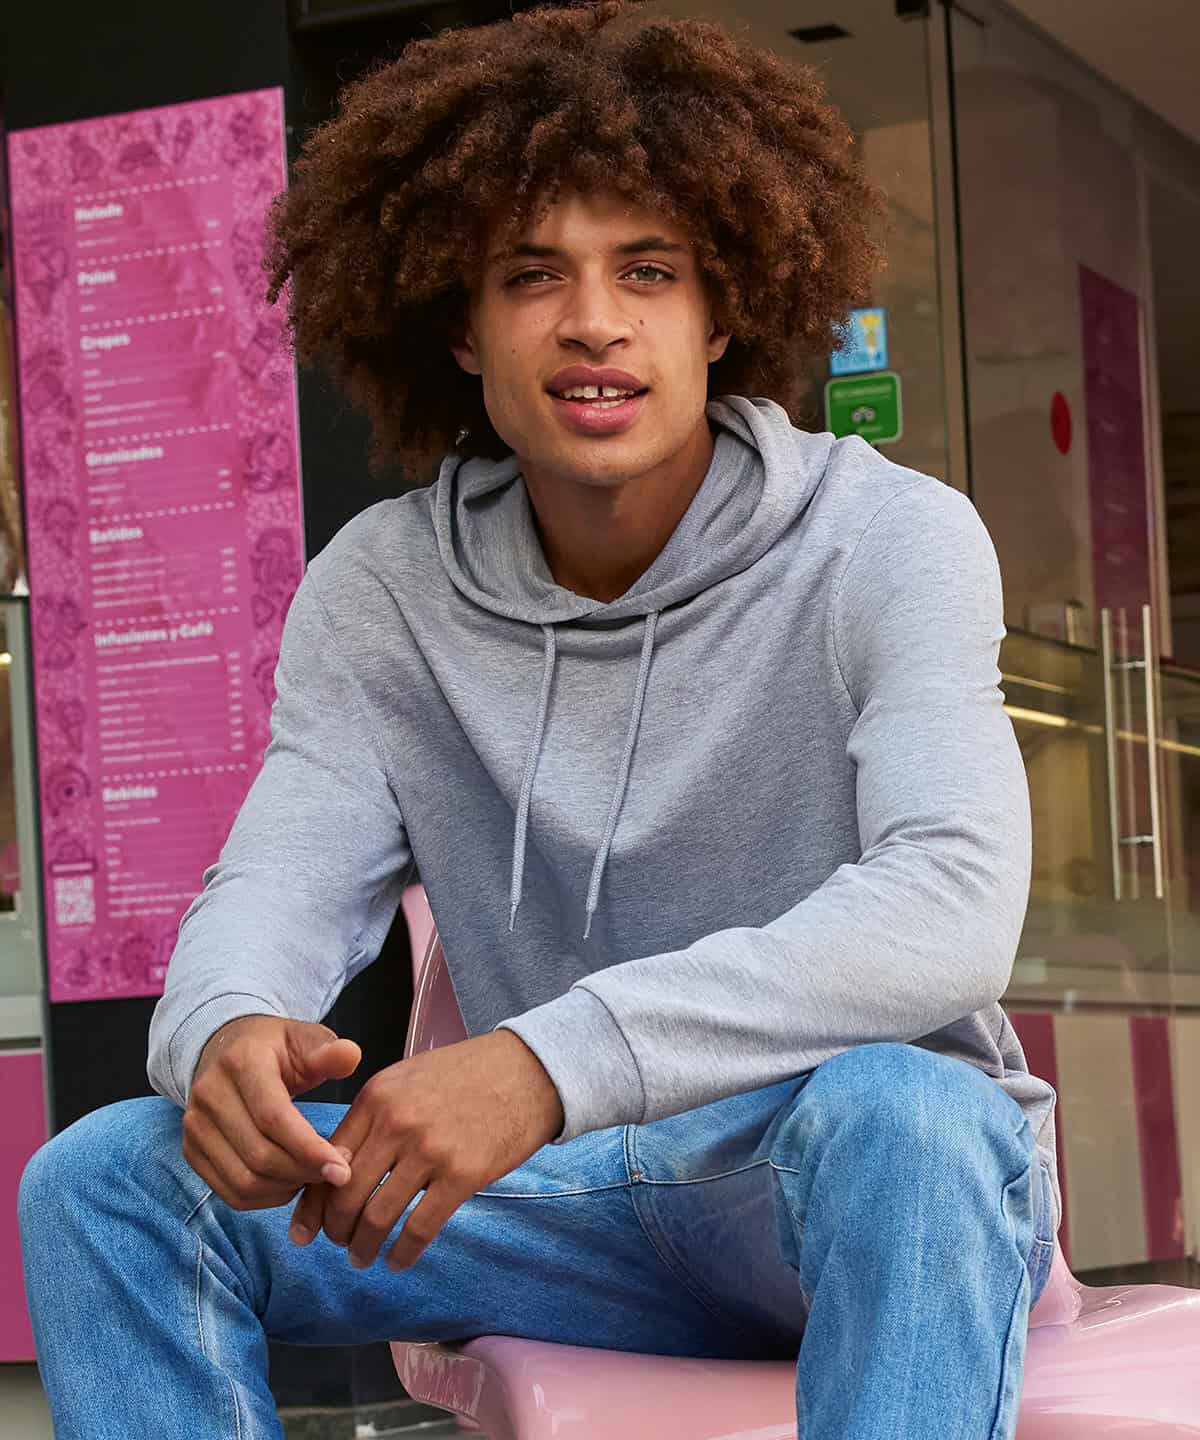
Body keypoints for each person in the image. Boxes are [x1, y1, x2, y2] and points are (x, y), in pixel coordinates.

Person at [18, 3, 1060, 1436]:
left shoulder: (888, 538)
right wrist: (222, 1031)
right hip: (563, 1206)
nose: (594, 322)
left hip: (829, 1183)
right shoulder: (384, 588)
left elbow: (950, 906)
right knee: (102, 1180)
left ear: (721, 309)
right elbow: (284, 872)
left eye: (648, 270)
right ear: (458, 321)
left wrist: (543, 1062)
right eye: (531, 275)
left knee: (913, 1110)